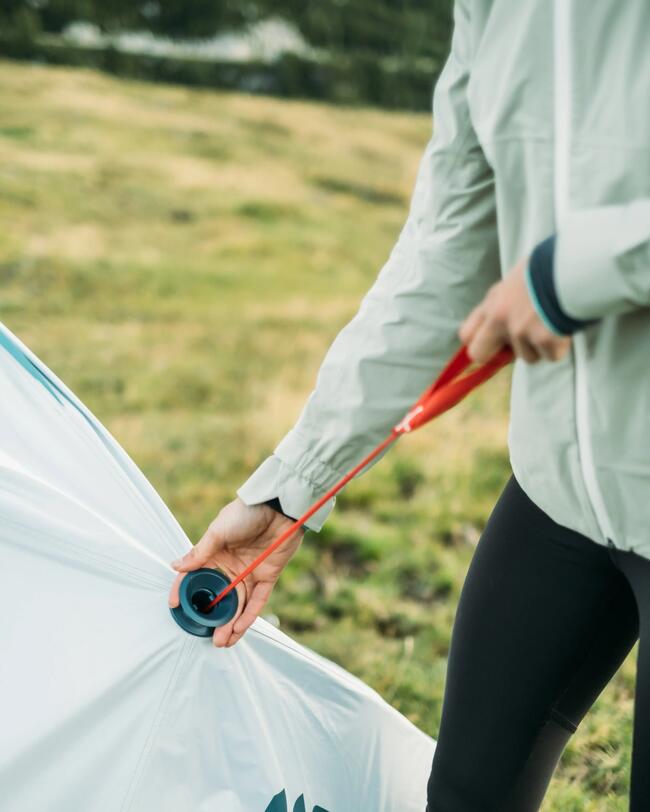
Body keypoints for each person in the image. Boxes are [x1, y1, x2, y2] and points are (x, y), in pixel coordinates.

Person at [169, 1, 650, 808]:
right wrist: (295, 487)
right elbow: (448, 245)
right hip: (561, 485)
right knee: (464, 793)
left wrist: (585, 269)